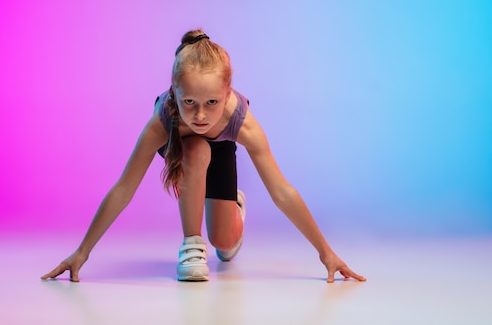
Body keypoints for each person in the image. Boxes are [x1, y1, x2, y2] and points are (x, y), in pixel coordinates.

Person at [42, 30, 366, 283]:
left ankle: (232, 209)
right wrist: (82, 252)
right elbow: (124, 188)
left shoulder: (242, 122)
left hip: (221, 146)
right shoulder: (162, 120)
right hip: (180, 144)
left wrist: (326, 253)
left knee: (224, 244)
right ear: (174, 94)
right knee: (196, 148)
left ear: (227, 94)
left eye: (211, 102)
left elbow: (281, 191)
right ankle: (191, 246)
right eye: (189, 103)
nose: (199, 116)